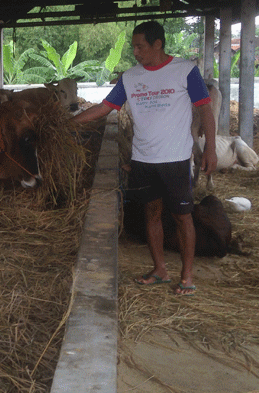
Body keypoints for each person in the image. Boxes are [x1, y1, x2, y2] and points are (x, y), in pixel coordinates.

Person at [73, 20, 217, 295]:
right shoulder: (130, 77)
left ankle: (187, 276)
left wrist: (210, 148)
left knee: (182, 216)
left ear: (157, 44)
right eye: (134, 47)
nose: (136, 52)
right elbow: (104, 108)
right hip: (142, 159)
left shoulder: (185, 70)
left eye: (140, 47)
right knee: (151, 214)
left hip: (175, 159)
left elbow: (205, 111)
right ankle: (160, 269)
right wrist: (69, 124)